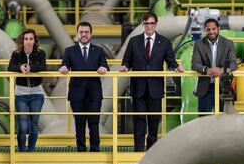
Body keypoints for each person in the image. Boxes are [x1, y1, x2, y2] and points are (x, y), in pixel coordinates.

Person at [120, 12, 184, 152]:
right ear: (143, 24)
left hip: (155, 88)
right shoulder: (134, 41)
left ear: (156, 24)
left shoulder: (164, 42)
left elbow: (170, 60)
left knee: (154, 121)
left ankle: (151, 151)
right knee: (139, 121)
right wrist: (125, 66)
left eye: (152, 23)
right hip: (138, 87)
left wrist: (176, 67)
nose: (149, 26)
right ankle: (138, 151)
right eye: (146, 23)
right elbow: (127, 60)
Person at [59, 22, 109, 152]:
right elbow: (65, 65)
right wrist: (63, 68)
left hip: (94, 93)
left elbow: (105, 65)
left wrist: (103, 68)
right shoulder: (69, 51)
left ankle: (95, 149)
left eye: (86, 32)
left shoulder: (98, 51)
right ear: (77, 34)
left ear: (91, 34)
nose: (84, 35)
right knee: (79, 124)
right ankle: (80, 149)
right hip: (77, 93)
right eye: (81, 32)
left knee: (94, 124)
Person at [8, 29, 46, 152]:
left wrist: (31, 68)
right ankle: (22, 151)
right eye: (26, 39)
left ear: (34, 41)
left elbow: (43, 67)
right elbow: (10, 67)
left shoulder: (41, 53)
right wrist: (20, 67)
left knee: (34, 124)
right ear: (22, 41)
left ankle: (30, 151)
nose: (28, 41)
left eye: (31, 39)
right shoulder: (16, 54)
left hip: (37, 93)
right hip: (21, 94)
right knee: (23, 126)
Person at [191, 18, 237, 115]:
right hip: (205, 87)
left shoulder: (228, 43)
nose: (211, 32)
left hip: (223, 87)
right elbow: (195, 64)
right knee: (203, 118)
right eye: (208, 29)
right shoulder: (199, 44)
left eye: (214, 29)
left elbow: (233, 64)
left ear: (218, 28)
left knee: (223, 118)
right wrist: (206, 69)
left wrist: (221, 70)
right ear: (205, 30)